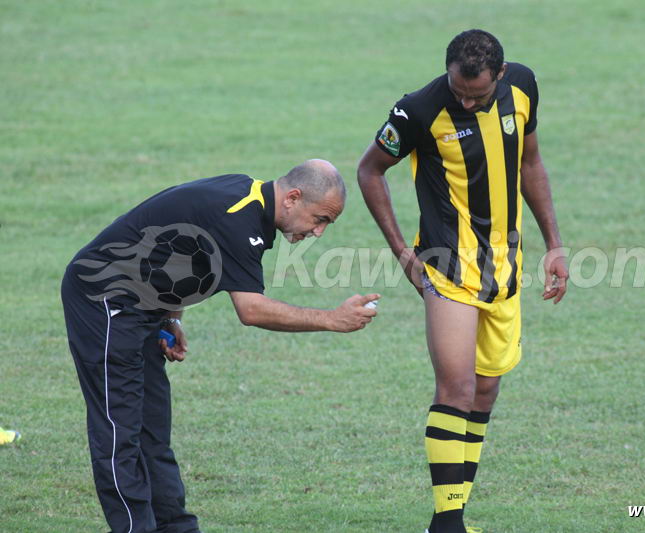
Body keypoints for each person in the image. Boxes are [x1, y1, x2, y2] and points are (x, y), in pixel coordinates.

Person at [62, 159, 379, 533]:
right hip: (105, 301)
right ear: (293, 197)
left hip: (143, 309)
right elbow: (252, 310)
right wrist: (330, 319)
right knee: (120, 431)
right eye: (319, 218)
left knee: (152, 430)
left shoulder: (251, 202)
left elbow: (175, 243)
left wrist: (171, 316)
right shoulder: (240, 217)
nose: (319, 232)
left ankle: (177, 527)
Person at [357, 30, 568, 532]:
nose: (467, 101)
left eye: (478, 94)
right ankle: (447, 522)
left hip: (505, 266)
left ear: (499, 75)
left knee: (486, 391)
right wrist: (404, 254)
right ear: (447, 71)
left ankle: (454, 514)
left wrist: (555, 243)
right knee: (456, 385)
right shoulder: (418, 110)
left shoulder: (523, 87)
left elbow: (531, 163)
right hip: (447, 264)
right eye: (459, 91)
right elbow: (369, 171)